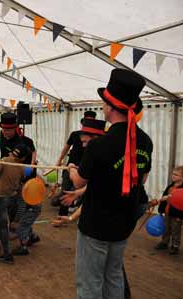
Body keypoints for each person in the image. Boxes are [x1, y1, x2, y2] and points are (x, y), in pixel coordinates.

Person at [68, 69, 153, 299]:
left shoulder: (99, 145)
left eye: (104, 102)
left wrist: (72, 168)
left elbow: (78, 182)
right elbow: (142, 179)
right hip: (123, 223)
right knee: (113, 276)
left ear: (110, 107)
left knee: (90, 283)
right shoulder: (145, 141)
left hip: (96, 225)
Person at [0, 143, 31, 264]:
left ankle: (7, 255)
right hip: (12, 197)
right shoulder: (22, 166)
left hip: (1, 197)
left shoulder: (5, 160)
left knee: (2, 226)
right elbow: (22, 177)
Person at [53, 111, 96, 211]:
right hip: (70, 166)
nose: (84, 144)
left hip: (84, 168)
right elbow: (66, 148)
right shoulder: (75, 134)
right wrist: (59, 160)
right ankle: (62, 212)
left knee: (81, 190)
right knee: (65, 190)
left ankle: (75, 208)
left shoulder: (96, 139)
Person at [155, 165, 183, 255]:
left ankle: (175, 246)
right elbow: (164, 199)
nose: (173, 176)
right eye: (173, 174)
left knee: (176, 230)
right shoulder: (170, 186)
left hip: (177, 215)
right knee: (166, 228)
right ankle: (164, 242)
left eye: (176, 175)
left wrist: (180, 216)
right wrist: (161, 209)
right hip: (168, 212)